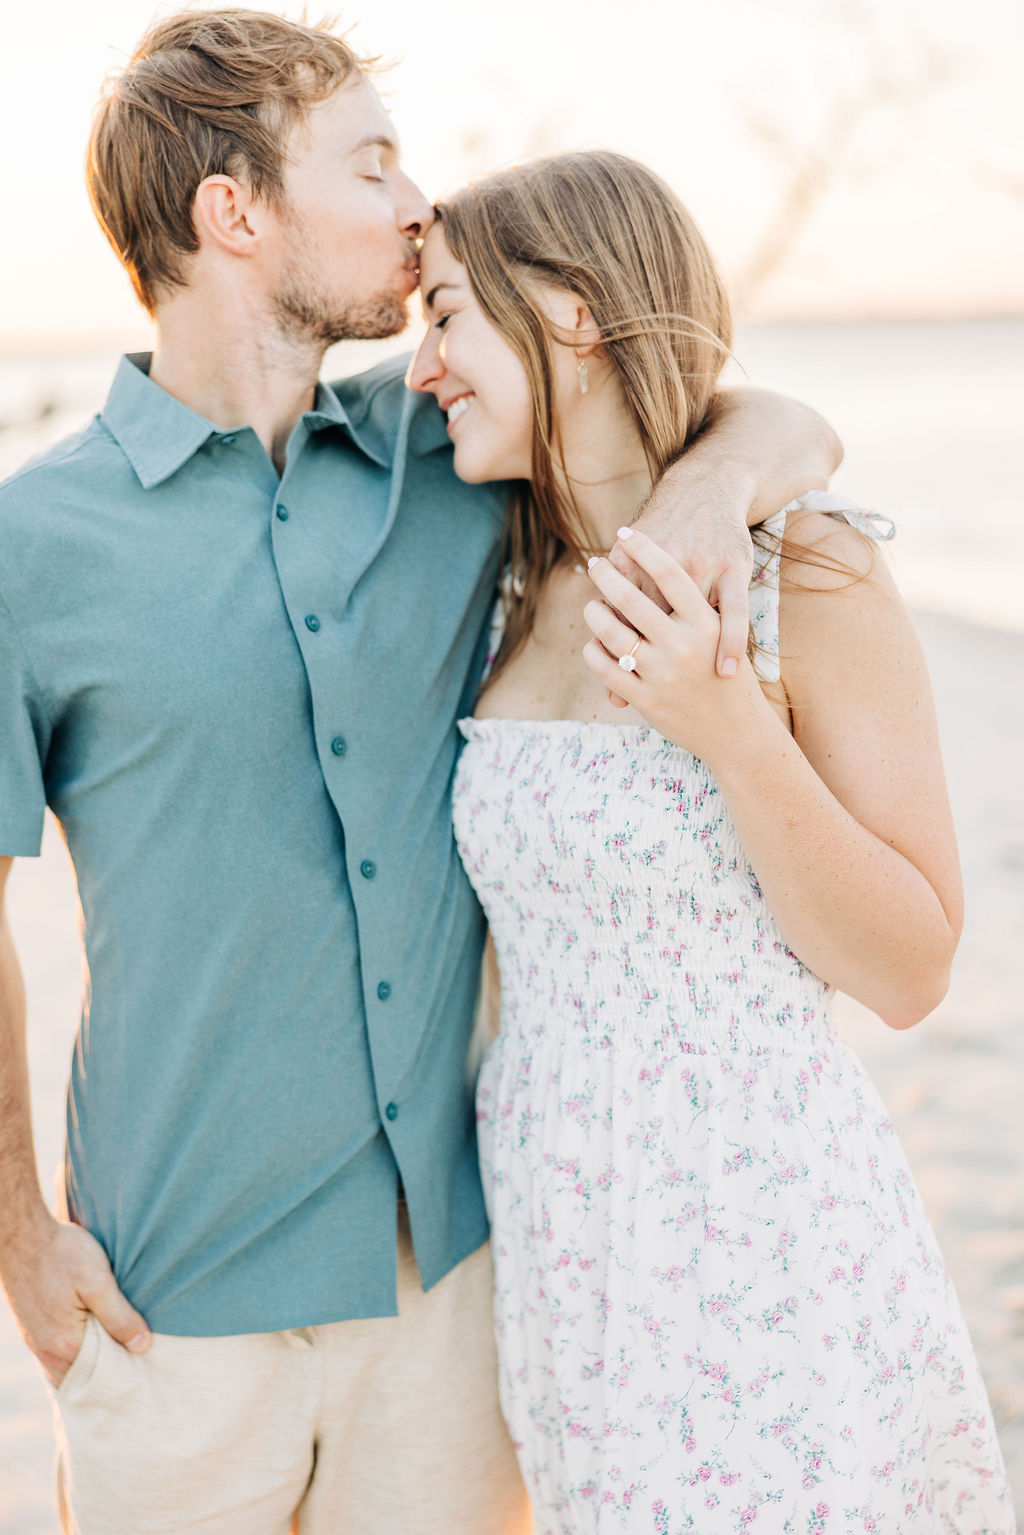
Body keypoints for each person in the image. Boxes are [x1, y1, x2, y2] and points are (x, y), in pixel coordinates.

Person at [0, 12, 845, 1534]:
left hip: (454, 1290)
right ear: (234, 212)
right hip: (167, 1301)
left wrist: (719, 490)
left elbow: (762, 415)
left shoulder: (445, 451)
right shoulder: (30, 549)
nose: (416, 206)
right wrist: (15, 1234)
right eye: (372, 163)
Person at [409, 150, 1014, 1532]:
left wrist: (725, 725)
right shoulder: (513, 572)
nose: (422, 364)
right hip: (564, 1243)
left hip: (759, 1231)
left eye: (445, 315)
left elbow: (913, 968)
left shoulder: (817, 570)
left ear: (569, 314)